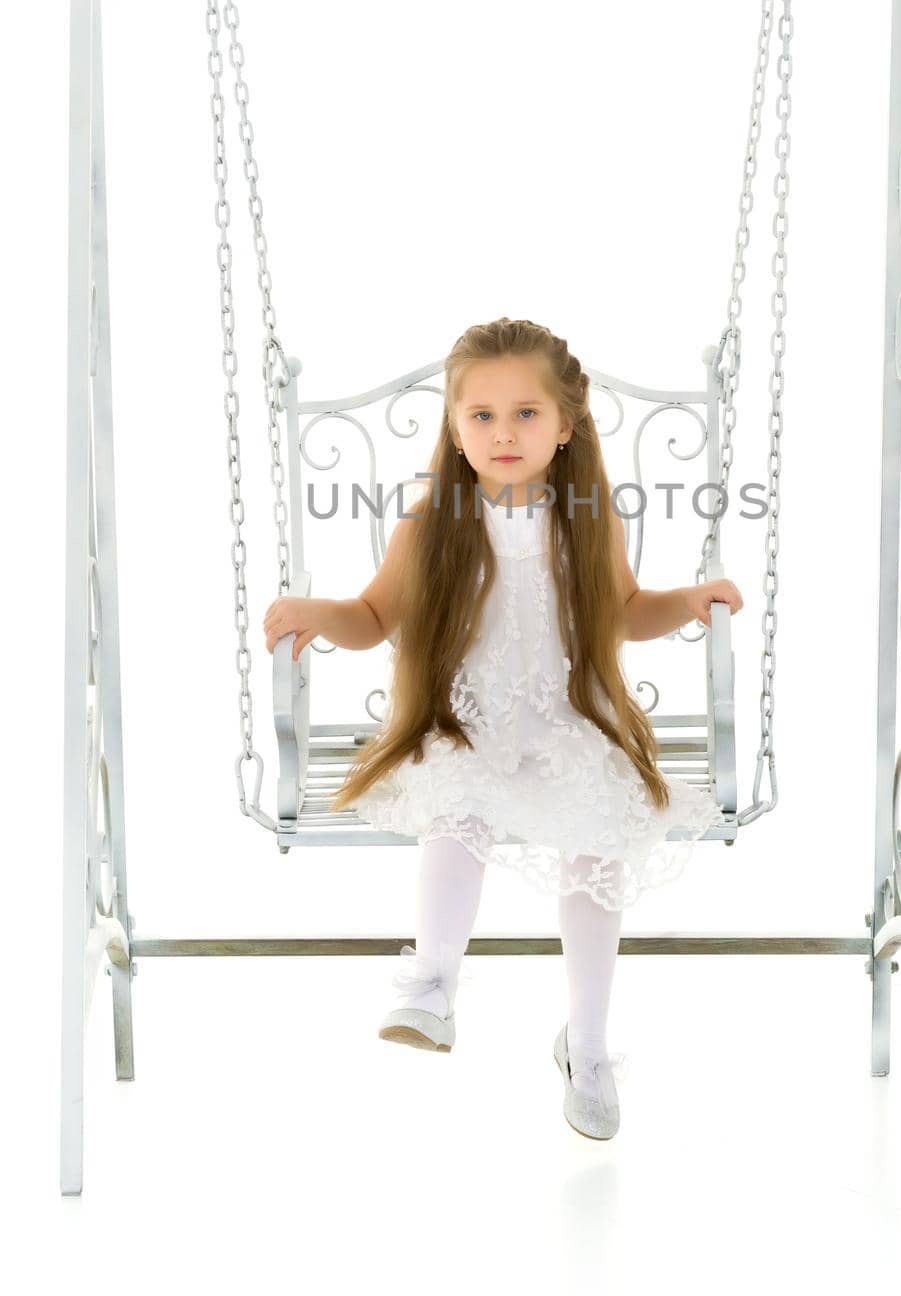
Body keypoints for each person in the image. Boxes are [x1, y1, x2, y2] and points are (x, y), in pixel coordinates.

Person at [262, 317, 743, 1139]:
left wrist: (689, 603)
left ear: (565, 427)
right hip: (471, 724)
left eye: (525, 414)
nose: (503, 432)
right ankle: (433, 985)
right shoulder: (432, 523)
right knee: (457, 810)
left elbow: (625, 612)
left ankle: (586, 1049)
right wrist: (320, 615)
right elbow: (374, 616)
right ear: (454, 428)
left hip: (568, 724)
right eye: (481, 416)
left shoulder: (586, 518)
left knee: (598, 846)